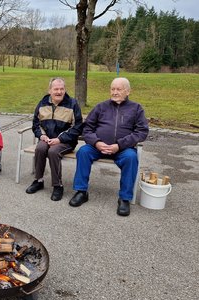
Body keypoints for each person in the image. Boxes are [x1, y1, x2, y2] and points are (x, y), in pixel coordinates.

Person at [69, 77, 149, 216]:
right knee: (83, 152)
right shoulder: (101, 107)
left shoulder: (136, 108)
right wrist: (97, 143)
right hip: (98, 147)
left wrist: (119, 145)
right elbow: (87, 128)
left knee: (131, 157)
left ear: (128, 91)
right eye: (112, 89)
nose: (115, 92)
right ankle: (81, 192)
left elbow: (141, 132)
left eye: (119, 89)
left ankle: (124, 199)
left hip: (122, 149)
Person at [25, 77, 83, 201]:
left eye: (62, 89)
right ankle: (38, 181)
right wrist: (42, 136)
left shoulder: (72, 104)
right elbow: (36, 123)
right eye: (56, 89)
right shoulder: (42, 103)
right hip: (47, 139)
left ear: (65, 90)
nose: (59, 92)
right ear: (50, 90)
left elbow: (77, 127)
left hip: (66, 141)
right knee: (40, 148)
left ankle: (58, 186)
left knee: (53, 151)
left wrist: (60, 139)